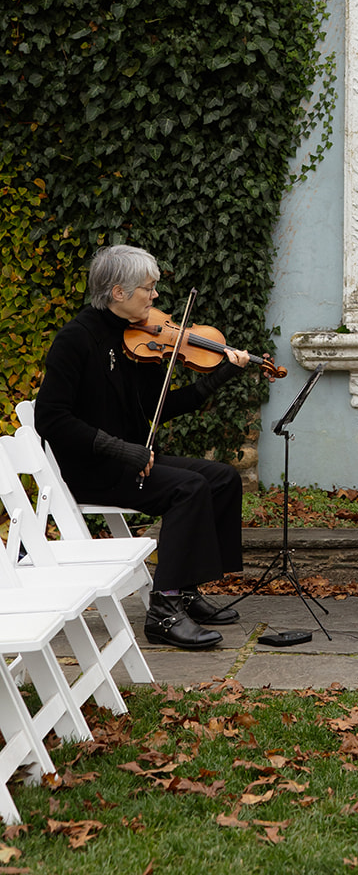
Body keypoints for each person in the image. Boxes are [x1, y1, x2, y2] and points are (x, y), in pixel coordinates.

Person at [35, 244, 251, 651]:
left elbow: (163, 407)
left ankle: (185, 590)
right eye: (147, 289)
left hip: (129, 459)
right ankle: (164, 612)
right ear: (118, 292)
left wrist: (221, 374)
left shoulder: (136, 339)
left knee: (221, 478)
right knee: (187, 489)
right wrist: (119, 449)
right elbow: (50, 418)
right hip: (92, 468)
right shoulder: (75, 340)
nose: (154, 298)